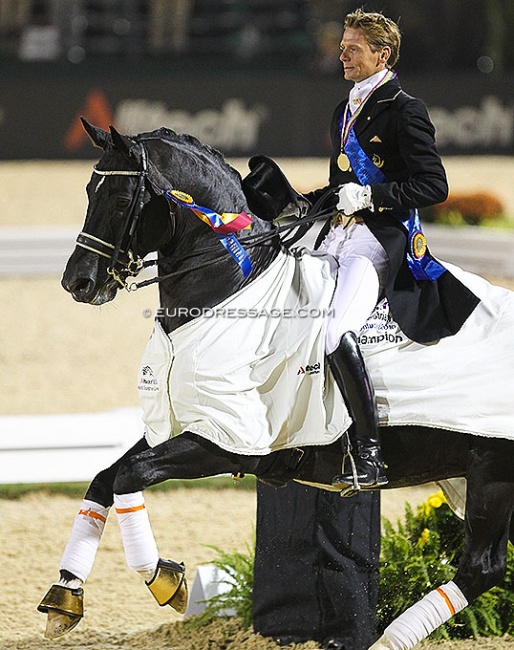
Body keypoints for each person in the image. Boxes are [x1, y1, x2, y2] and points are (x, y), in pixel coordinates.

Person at [304, 8, 479, 493]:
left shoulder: (405, 108)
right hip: (339, 234)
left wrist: (373, 197)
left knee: (335, 331)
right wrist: (305, 204)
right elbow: (343, 182)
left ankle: (369, 454)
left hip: (380, 241)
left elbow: (433, 185)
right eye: (342, 45)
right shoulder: (345, 108)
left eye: (353, 48)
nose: (342, 53)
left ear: (382, 55)